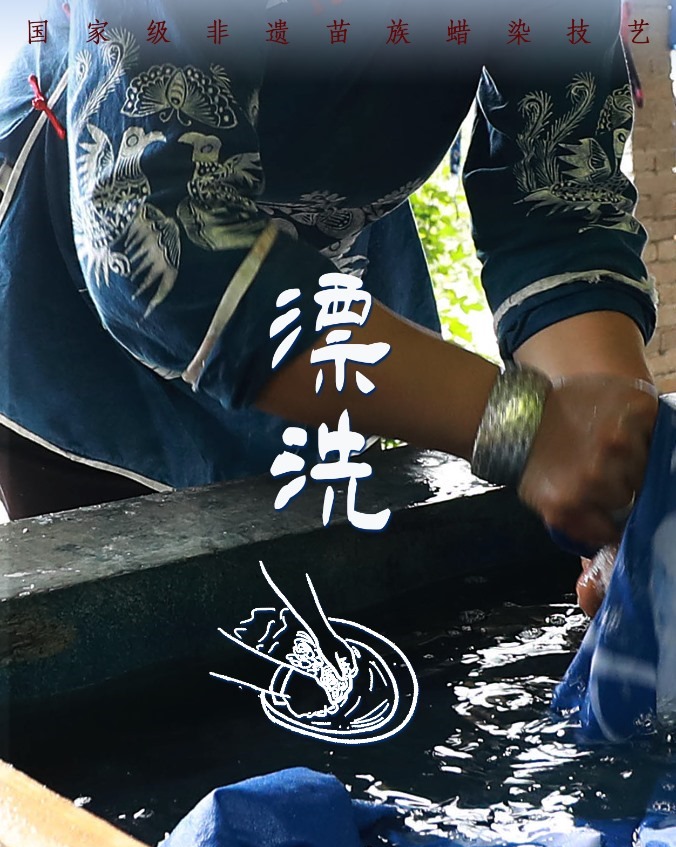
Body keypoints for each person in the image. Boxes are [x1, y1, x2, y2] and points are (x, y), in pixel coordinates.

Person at [0, 0, 658, 559]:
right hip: (70, 305)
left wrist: (612, 471)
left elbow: (557, 196)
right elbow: (161, 246)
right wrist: (521, 428)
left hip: (322, 268)